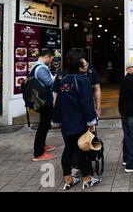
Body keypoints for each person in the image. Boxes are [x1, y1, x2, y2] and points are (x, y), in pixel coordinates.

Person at [52, 50, 101, 190]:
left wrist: (56, 119)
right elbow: (87, 103)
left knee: (68, 149)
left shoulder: (64, 79)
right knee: (83, 150)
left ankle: (68, 180)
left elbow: (58, 102)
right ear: (80, 63)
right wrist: (91, 122)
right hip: (80, 121)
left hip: (66, 122)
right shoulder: (83, 80)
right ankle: (87, 179)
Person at [32, 49, 57, 162]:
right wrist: (56, 79)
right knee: (43, 125)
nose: (51, 61)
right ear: (47, 57)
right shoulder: (41, 68)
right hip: (44, 101)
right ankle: (38, 152)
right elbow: (50, 83)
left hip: (43, 100)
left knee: (45, 124)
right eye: (51, 59)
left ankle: (42, 145)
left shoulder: (36, 66)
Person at [119, 62, 133, 172]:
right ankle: (131, 164)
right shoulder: (130, 80)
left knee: (128, 136)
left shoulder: (128, 79)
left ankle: (126, 159)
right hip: (130, 113)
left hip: (125, 112)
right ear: (128, 69)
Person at [73, 49, 102, 118]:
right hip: (72, 107)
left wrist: (98, 107)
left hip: (89, 106)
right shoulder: (68, 74)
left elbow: (97, 89)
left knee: (91, 127)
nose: (86, 67)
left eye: (86, 64)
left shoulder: (91, 71)